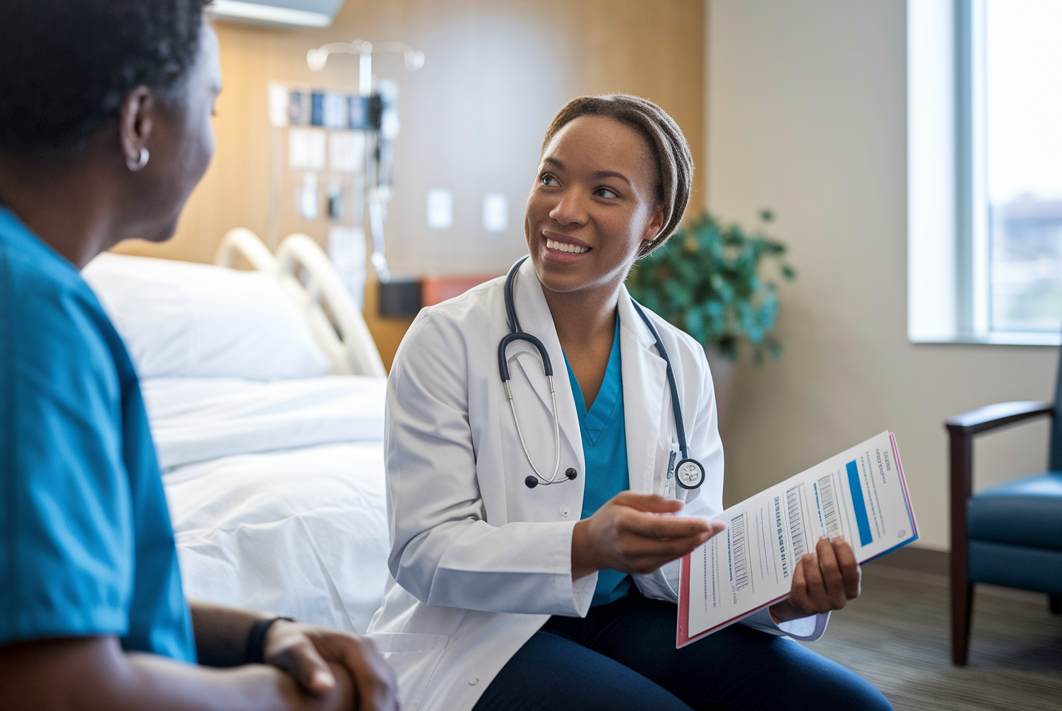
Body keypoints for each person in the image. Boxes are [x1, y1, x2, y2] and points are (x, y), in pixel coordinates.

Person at [0, 0, 396, 710]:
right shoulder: (16, 321)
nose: (211, 135)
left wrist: (259, 637)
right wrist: (293, 701)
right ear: (138, 122)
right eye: (211, 104)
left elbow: (58, 612)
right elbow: (50, 691)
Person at [364, 94, 893, 711]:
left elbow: (686, 556)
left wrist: (781, 600)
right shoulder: (445, 338)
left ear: (654, 221)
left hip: (629, 615)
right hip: (485, 630)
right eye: (550, 179)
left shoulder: (679, 360)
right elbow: (423, 551)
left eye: (606, 192)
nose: (563, 211)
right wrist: (586, 544)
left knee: (853, 709)